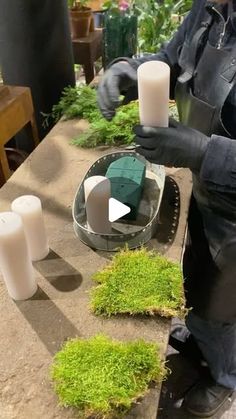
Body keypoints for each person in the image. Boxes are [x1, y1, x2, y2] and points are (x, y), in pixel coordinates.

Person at [97, 0, 236, 416]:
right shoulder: (210, 10)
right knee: (200, 272)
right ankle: (203, 339)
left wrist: (203, 152)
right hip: (209, 190)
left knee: (228, 296)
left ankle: (226, 377)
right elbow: (171, 60)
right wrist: (134, 71)